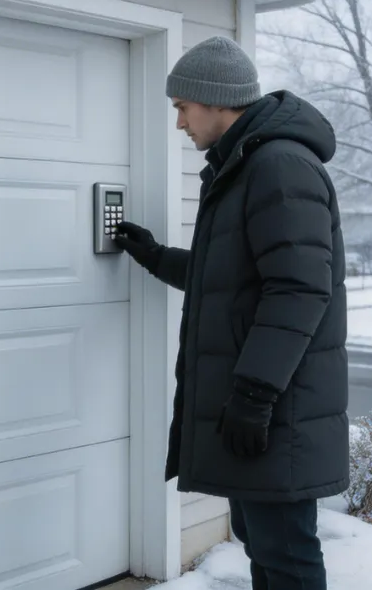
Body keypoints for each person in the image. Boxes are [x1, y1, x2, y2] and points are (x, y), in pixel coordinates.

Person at [114, 36, 348, 590]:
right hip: (265, 404)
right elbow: (234, 277)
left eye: (181, 108)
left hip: (278, 408)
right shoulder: (245, 166)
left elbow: (297, 289)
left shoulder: (279, 166)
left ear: (215, 99)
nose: (179, 124)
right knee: (262, 543)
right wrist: (154, 256)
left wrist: (254, 395)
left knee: (286, 552)